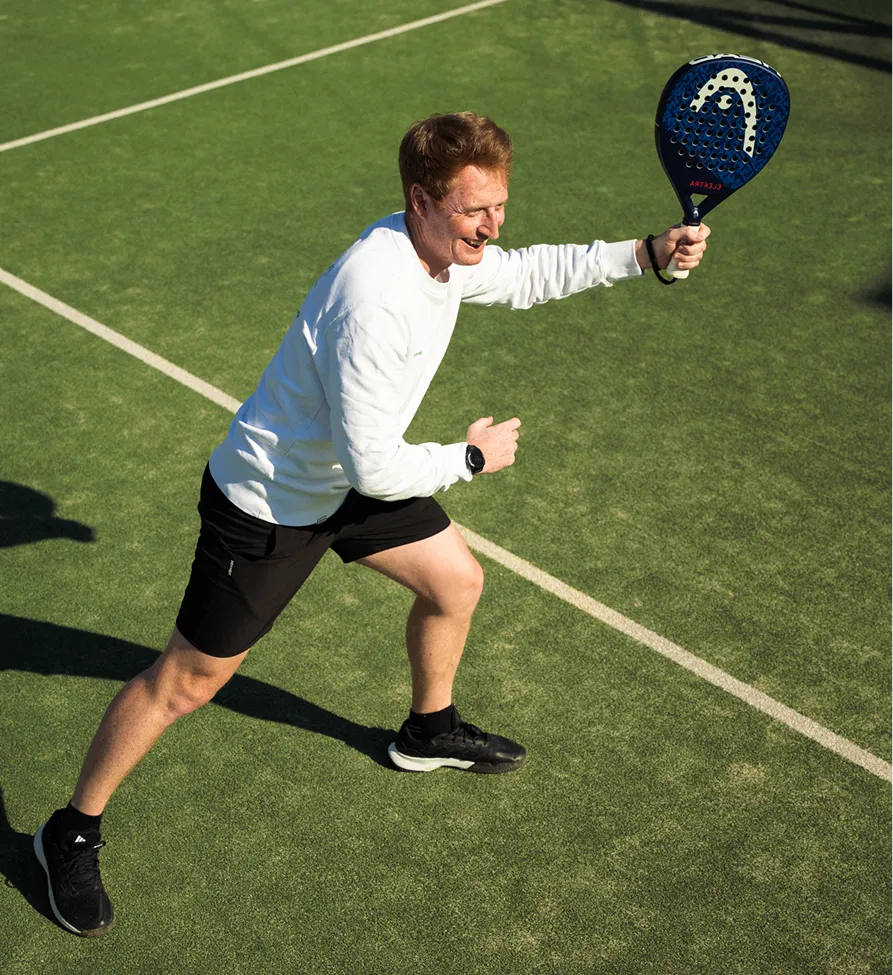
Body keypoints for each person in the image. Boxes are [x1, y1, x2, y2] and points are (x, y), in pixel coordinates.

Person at [34, 112, 709, 937]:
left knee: (456, 580)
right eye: (474, 212)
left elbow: (526, 272)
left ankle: (427, 730)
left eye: (498, 205)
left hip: (348, 472)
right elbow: (376, 469)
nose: (492, 228)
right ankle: (68, 830)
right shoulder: (374, 299)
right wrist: (468, 459)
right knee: (187, 682)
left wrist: (643, 254)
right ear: (420, 201)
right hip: (273, 501)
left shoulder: (441, 250)